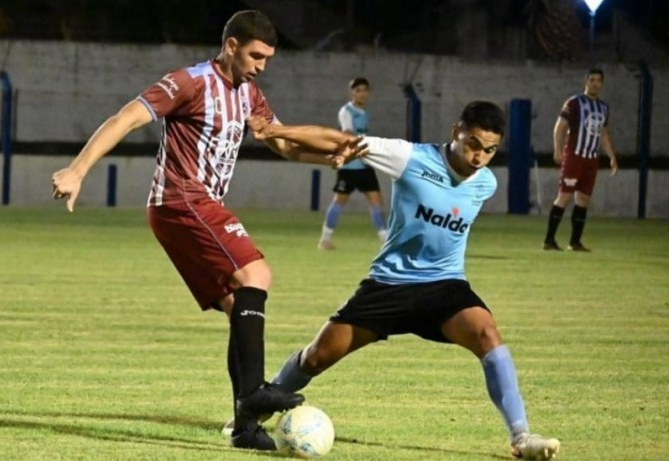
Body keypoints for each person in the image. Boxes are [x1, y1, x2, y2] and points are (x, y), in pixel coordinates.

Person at [50, 10, 360, 451]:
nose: (261, 66)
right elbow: (125, 118)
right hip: (181, 201)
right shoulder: (188, 82)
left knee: (240, 307)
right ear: (231, 45)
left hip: (197, 206)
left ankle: (245, 428)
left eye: (268, 58)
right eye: (255, 55)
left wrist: (326, 157)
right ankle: (253, 395)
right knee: (257, 275)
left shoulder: (249, 94)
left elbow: (284, 146)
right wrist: (78, 170)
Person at [238, 101, 561, 460]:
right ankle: (252, 414)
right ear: (456, 131)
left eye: (489, 150)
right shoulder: (409, 157)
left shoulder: (485, 183)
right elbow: (339, 139)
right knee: (316, 357)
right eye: (473, 143)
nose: (478, 157)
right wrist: (277, 131)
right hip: (389, 284)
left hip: (444, 286)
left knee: (488, 335)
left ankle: (521, 438)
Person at [543, 68, 618, 252]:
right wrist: (558, 149)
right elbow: (560, 127)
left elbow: (603, 133)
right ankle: (549, 240)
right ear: (586, 81)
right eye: (591, 80)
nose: (595, 83)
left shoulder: (603, 108)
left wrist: (612, 157)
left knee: (583, 199)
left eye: (598, 80)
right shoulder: (574, 102)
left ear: (602, 84)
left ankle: (575, 242)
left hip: (591, 159)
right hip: (574, 157)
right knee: (565, 196)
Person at [317, 77, 388, 250]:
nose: (362, 94)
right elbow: (348, 133)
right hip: (349, 165)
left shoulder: (365, 113)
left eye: (365, 90)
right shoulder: (346, 111)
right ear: (352, 93)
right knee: (339, 201)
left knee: (377, 201)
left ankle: (385, 240)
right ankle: (325, 240)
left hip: (364, 163)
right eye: (358, 90)